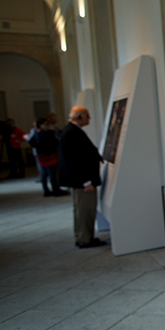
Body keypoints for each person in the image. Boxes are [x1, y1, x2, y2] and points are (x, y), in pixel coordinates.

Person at [59, 106, 105, 248]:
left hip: (82, 180)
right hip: (83, 182)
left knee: (82, 210)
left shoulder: (72, 131)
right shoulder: (71, 132)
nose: (89, 119)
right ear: (79, 116)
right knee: (86, 210)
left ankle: (83, 236)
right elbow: (74, 161)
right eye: (87, 116)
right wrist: (86, 181)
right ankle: (85, 238)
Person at [32, 117, 68, 197]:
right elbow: (54, 142)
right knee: (52, 174)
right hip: (48, 154)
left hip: (41, 155)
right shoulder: (46, 133)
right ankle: (55, 190)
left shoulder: (36, 133)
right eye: (45, 124)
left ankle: (46, 190)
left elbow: (32, 142)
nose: (47, 126)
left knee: (44, 174)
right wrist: (52, 131)